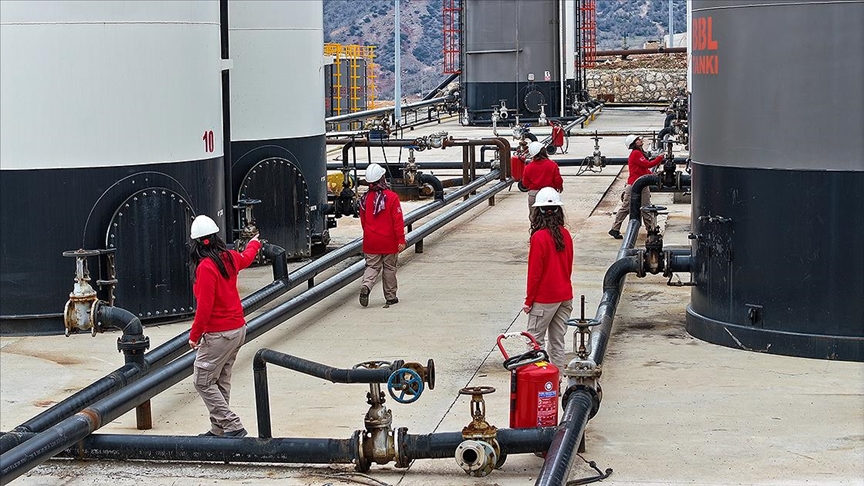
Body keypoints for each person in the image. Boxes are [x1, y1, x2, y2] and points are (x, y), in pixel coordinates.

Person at [188, 214, 262, 438]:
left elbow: (205, 306)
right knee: (220, 379)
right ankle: (219, 429)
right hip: (238, 330)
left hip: (219, 334)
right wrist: (254, 243)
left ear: (196, 243)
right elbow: (247, 257)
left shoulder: (206, 267)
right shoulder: (229, 257)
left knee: (202, 380)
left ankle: (232, 425)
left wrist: (195, 335)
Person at [523, 187, 574, 368]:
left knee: (534, 342)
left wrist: (529, 301)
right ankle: (557, 381)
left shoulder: (539, 237)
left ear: (538, 211)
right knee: (557, 342)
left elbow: (534, 274)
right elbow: (568, 267)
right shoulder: (566, 235)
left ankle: (542, 382)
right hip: (565, 296)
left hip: (545, 299)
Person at [359, 163, 406, 307]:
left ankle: (366, 285)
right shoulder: (391, 198)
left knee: (372, 267)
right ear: (382, 178)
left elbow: (363, 221)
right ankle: (391, 297)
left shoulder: (364, 199)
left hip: (371, 241)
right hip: (389, 241)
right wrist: (401, 239)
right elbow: (397, 220)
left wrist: (369, 235)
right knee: (389, 268)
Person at [608, 134, 664, 239]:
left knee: (643, 207)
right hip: (635, 185)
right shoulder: (636, 154)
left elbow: (644, 170)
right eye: (637, 139)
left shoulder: (639, 153)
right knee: (633, 207)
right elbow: (648, 164)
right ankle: (615, 228)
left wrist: (653, 176)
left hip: (641, 183)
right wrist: (660, 158)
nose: (640, 140)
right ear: (634, 144)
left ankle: (650, 229)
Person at [521, 141, 564, 213]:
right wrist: (560, 187)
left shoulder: (528, 167)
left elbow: (525, 183)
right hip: (550, 194)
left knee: (533, 216)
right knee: (556, 214)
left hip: (534, 194)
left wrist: (533, 187)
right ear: (544, 151)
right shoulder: (552, 165)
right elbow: (558, 180)